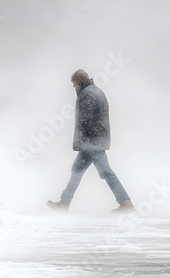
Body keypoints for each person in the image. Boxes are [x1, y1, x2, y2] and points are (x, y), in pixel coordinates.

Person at [47, 69, 134, 213]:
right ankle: (64, 203)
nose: (73, 87)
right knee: (77, 169)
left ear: (78, 81)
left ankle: (125, 202)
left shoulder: (87, 94)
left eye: (73, 83)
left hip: (92, 142)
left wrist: (84, 141)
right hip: (95, 140)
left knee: (106, 172)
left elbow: (85, 120)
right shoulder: (96, 91)